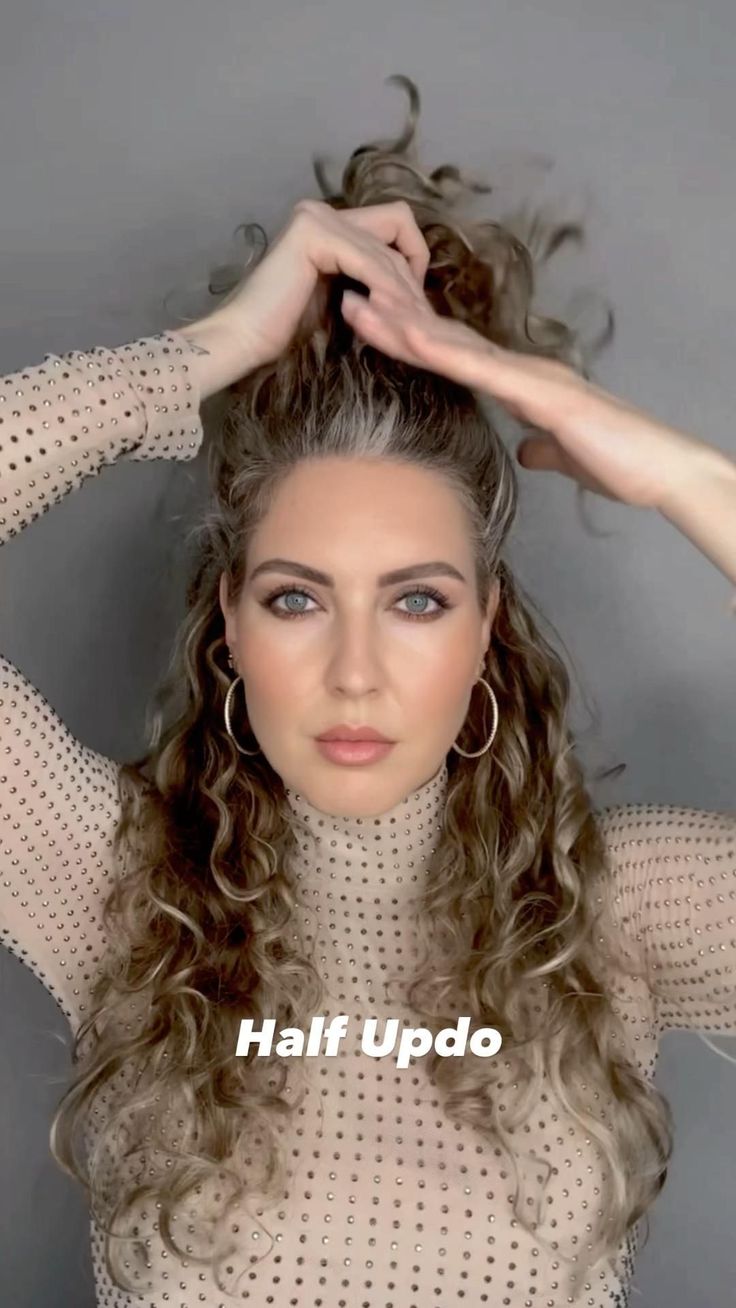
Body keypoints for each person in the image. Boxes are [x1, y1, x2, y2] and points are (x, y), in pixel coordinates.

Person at [1, 75, 735, 1308]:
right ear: (226, 622)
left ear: (487, 626)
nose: (353, 670)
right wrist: (201, 357)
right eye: (295, 598)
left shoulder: (611, 914)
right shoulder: (119, 885)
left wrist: (689, 478)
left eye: (416, 600)